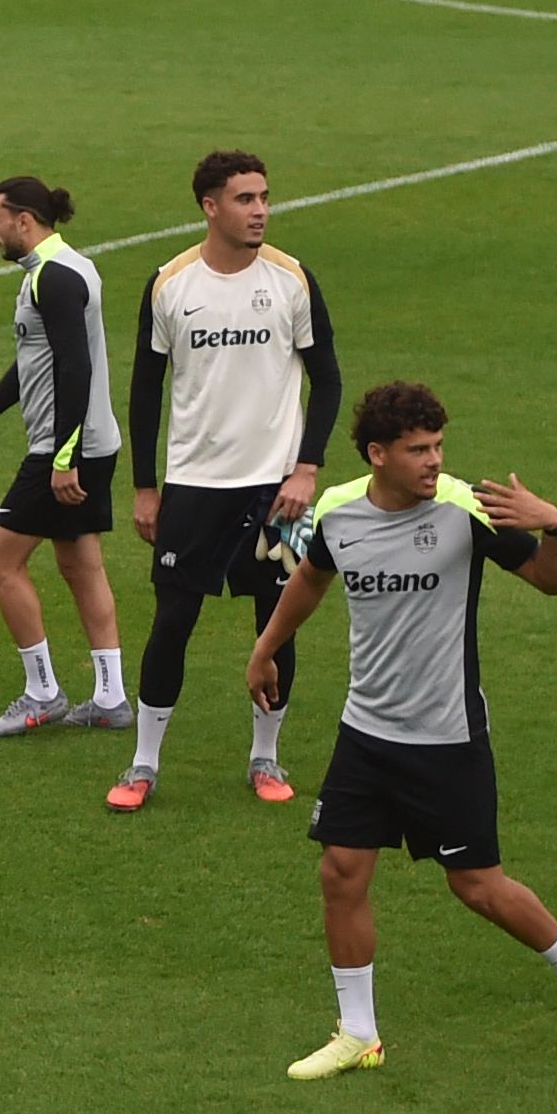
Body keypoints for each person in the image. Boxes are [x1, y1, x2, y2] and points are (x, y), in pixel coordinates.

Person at [233, 381, 557, 1076]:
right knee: (341, 872)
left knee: (477, 886)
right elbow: (313, 577)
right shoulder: (339, 511)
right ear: (377, 454)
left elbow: (554, 583)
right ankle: (359, 1033)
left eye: (438, 446)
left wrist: (554, 523)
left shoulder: (466, 511)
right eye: (418, 450)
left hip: (447, 735)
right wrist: (265, 648)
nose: (434, 461)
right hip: (366, 731)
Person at [117, 149, 341, 812]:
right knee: (172, 621)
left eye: (265, 197)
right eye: (246, 199)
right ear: (210, 206)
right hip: (193, 486)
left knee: (278, 622)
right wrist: (145, 485)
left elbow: (327, 378)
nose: (261, 210)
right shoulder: (171, 284)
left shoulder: (293, 280)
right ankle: (143, 764)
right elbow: (144, 389)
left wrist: (307, 468)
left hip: (279, 490)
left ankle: (265, 757)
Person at [0, 177, 129, 736]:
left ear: (24, 220)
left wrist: (64, 458)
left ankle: (42, 692)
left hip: (65, 450)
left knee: (0, 560)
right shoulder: (64, 269)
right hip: (90, 443)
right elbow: (35, 363)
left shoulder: (55, 280)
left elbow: (75, 369)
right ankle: (110, 697)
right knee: (78, 561)